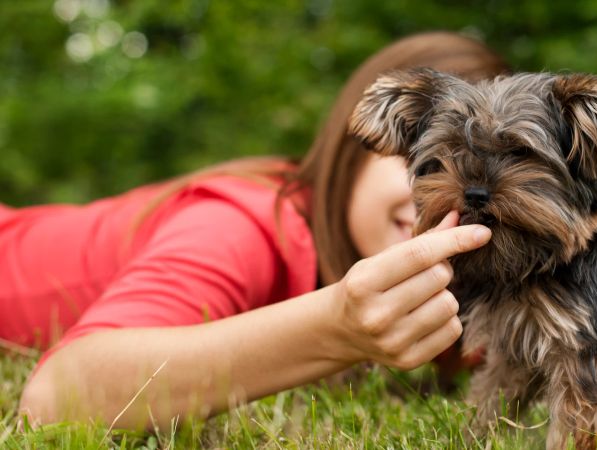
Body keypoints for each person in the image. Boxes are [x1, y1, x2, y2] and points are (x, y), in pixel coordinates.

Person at [4, 32, 508, 430]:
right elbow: (55, 397)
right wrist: (334, 327)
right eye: (429, 158)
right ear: (354, 148)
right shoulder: (244, 223)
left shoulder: (473, 286)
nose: (460, 197)